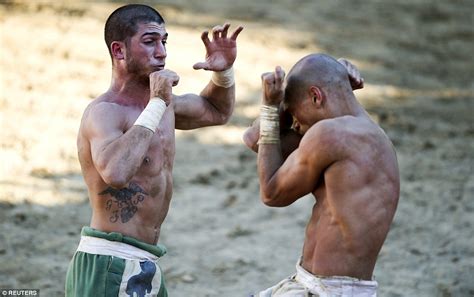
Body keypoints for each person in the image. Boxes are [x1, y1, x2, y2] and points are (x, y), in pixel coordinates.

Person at [65, 4, 243, 296]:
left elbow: (215, 111)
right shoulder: (105, 112)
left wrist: (223, 74)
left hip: (146, 259)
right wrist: (158, 102)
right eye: (150, 42)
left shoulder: (162, 104)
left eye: (164, 41)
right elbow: (117, 172)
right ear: (119, 51)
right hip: (109, 261)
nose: (162, 52)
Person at [243, 54, 399, 296]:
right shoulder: (353, 133)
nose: (294, 124)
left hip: (331, 291)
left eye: (294, 114)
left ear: (316, 96)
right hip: (311, 283)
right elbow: (254, 138)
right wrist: (281, 104)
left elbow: (271, 193)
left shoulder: (331, 135)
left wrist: (271, 106)